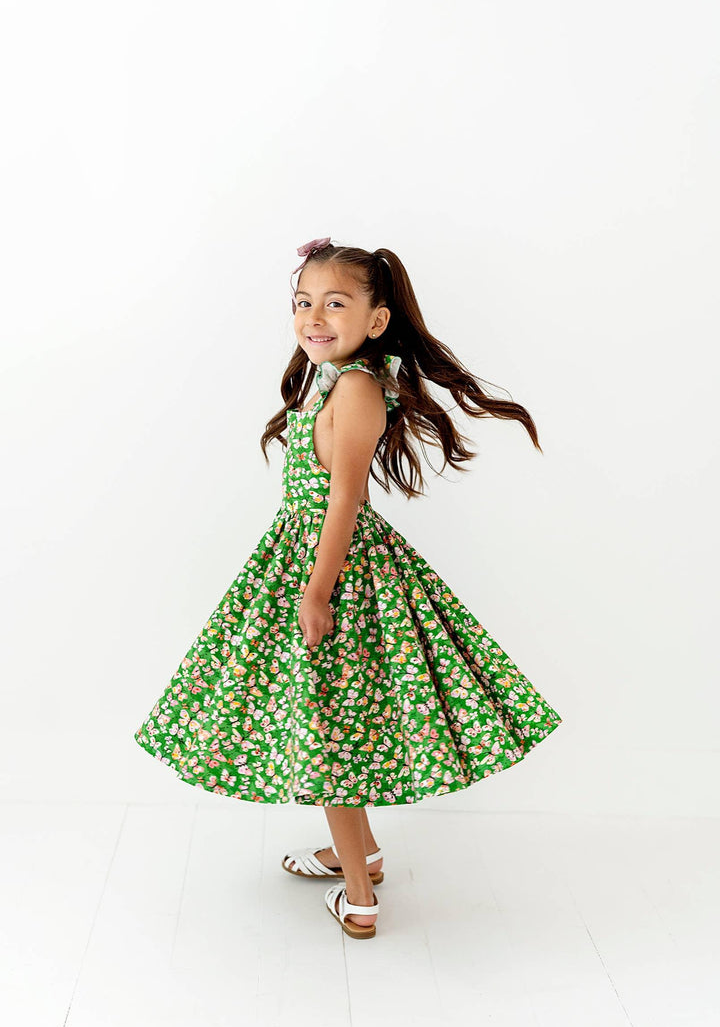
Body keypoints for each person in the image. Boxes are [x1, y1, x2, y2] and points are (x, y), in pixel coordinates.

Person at [133, 236, 563, 940]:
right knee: (329, 721)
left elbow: (345, 500)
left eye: (335, 303)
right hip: (303, 556)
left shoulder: (358, 389)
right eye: (303, 302)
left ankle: (359, 896)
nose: (313, 317)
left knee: (327, 735)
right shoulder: (334, 383)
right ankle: (360, 854)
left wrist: (316, 592)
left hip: (334, 569)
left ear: (376, 319)